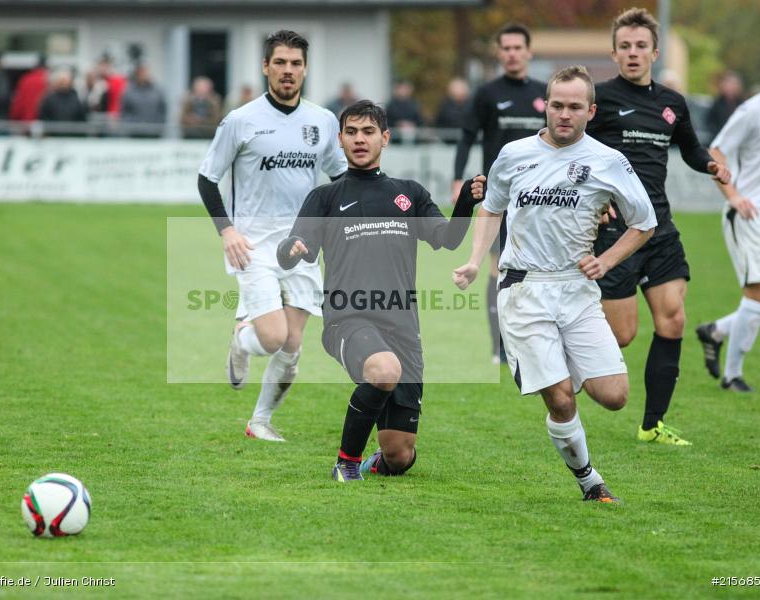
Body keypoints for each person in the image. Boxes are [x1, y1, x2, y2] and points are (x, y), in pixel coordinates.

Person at [453, 66, 657, 503]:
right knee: (562, 401)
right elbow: (492, 208)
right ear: (546, 105)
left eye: (574, 107)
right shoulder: (513, 154)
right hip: (523, 290)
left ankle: (555, 362)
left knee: (615, 396)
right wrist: (474, 261)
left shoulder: (607, 161)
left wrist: (605, 260)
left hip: (577, 292)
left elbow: (645, 221)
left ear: (591, 111)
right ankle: (590, 482)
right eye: (557, 105)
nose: (564, 114)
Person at [278, 100, 484, 482]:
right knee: (384, 370)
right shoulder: (325, 197)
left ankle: (376, 460)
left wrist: (465, 204)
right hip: (348, 319)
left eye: (368, 132)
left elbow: (448, 239)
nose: (360, 139)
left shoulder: (409, 193)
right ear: (340, 140)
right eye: (352, 132)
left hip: (403, 326)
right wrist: (291, 249)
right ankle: (347, 462)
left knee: (400, 456)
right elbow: (291, 248)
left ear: (385, 138)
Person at [586, 8, 730, 446]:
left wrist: (709, 164)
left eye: (641, 46)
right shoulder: (600, 100)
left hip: (660, 227)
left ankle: (652, 426)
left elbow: (688, 147)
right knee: (623, 335)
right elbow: (571, 150)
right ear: (614, 52)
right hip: (617, 233)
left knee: (673, 320)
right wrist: (593, 200)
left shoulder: (672, 103)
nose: (633, 53)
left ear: (655, 51)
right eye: (625, 47)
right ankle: (562, 349)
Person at [198, 30, 347, 442]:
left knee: (293, 347)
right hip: (253, 246)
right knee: (272, 336)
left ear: (305, 69)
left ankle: (260, 422)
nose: (288, 71)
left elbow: (338, 179)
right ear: (265, 67)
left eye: (296, 64)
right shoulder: (241, 120)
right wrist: (227, 231)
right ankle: (241, 341)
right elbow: (207, 180)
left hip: (301, 247)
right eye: (280, 63)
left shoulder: (322, 120)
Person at [451, 23, 547, 365]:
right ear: (499, 53)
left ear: (528, 52)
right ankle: (501, 347)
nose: (511, 53)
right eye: (505, 48)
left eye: (517, 47)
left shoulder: (544, 93)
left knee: (538, 267)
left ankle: (536, 337)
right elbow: (466, 136)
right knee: (498, 268)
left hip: (541, 198)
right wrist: (456, 179)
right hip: (500, 198)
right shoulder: (487, 93)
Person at [696, 45, 760, 391]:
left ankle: (716, 331)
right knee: (759, 294)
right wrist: (733, 197)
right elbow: (716, 151)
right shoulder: (754, 110)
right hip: (750, 215)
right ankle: (732, 376)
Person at [121, 63, 166, 137]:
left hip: (154, 134)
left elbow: (162, 110)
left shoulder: (157, 91)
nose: (144, 75)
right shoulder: (129, 91)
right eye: (141, 72)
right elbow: (124, 112)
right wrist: (132, 127)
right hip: (135, 134)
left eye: (145, 72)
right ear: (136, 74)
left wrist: (158, 126)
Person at [37, 69, 87, 136]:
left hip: (73, 138)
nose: (63, 83)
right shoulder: (48, 99)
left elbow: (82, 118)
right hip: (53, 137)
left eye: (65, 81)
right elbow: (43, 117)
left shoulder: (77, 99)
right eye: (61, 81)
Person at [705, 71, 745, 142]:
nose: (731, 87)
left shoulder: (742, 104)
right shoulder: (717, 104)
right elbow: (710, 124)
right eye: (729, 84)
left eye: (734, 84)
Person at [9, 55, 49, 122]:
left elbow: (19, 101)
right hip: (44, 123)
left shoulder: (26, 80)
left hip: (26, 120)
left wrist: (14, 117)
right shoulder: (48, 81)